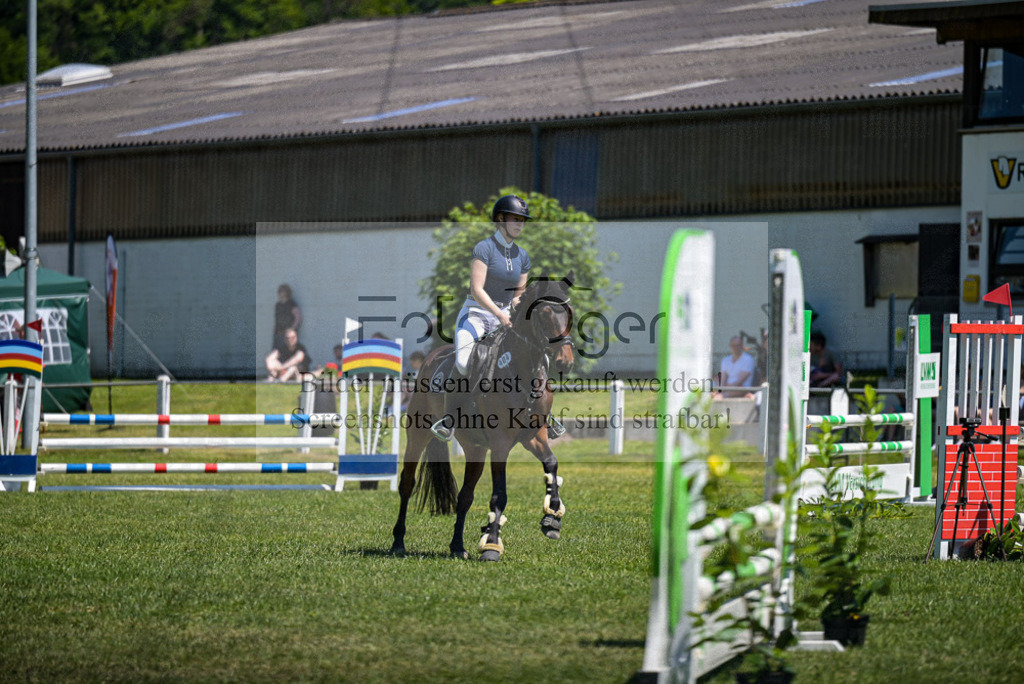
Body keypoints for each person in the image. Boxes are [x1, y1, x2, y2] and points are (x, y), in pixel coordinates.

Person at [430, 194, 533, 442]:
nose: (520, 224)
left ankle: (540, 414)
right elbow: (477, 289)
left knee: (531, 354)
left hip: (505, 317)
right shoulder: (484, 248)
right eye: (515, 219)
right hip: (476, 314)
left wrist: (521, 314)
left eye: (522, 220)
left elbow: (517, 296)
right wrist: (498, 313)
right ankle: (449, 418)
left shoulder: (523, 256)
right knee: (464, 361)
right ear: (501, 219)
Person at [273, 284, 302, 352]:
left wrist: (292, 329)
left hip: (287, 335)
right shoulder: (278, 305)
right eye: (279, 291)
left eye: (281, 291)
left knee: (286, 353)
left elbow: (298, 318)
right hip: (277, 334)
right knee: (275, 353)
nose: (279, 292)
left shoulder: (291, 304)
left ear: (286, 292)